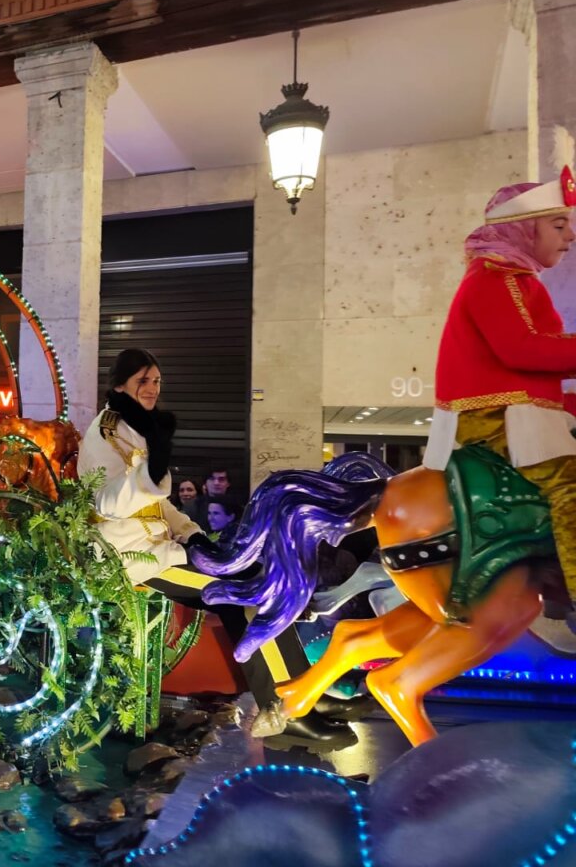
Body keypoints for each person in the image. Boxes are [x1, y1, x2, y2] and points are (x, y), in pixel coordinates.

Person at [78, 348, 356, 749]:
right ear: (119, 384)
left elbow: (159, 502)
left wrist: (191, 533)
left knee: (257, 579)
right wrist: (150, 472)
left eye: (157, 380)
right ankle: (285, 710)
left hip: (161, 546)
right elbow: (106, 503)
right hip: (133, 556)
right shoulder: (106, 431)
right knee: (247, 592)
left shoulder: (137, 425)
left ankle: (303, 693)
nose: (153, 388)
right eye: (143, 380)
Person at [424, 168, 576, 627]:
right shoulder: (496, 278)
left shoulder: (515, 279)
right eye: (558, 225)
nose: (571, 235)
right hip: (497, 416)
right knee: (569, 488)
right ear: (523, 228)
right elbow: (522, 349)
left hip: (515, 409)